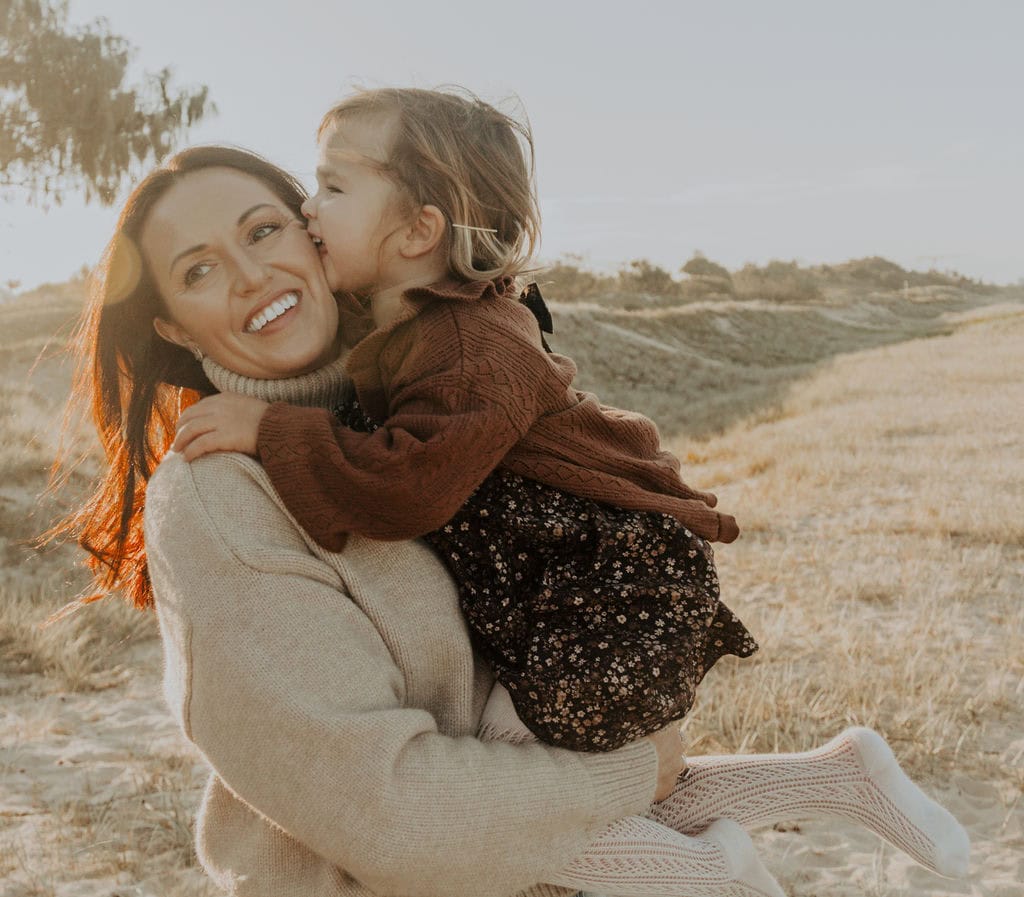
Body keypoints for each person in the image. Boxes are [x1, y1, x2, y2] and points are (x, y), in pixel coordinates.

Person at [57, 144, 970, 897]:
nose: (252, 274)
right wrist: (627, 771)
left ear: (315, 233)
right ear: (172, 327)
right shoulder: (219, 499)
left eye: (263, 230)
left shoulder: (417, 404)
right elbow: (391, 814)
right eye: (200, 270)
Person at [170, 86, 758, 758]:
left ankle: (718, 826)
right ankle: (826, 775)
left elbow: (406, 484)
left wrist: (270, 430)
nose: (307, 206)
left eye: (333, 187)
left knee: (524, 764)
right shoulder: (417, 325)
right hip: (566, 586)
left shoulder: (467, 344)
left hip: (608, 593)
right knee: (573, 776)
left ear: (418, 232)